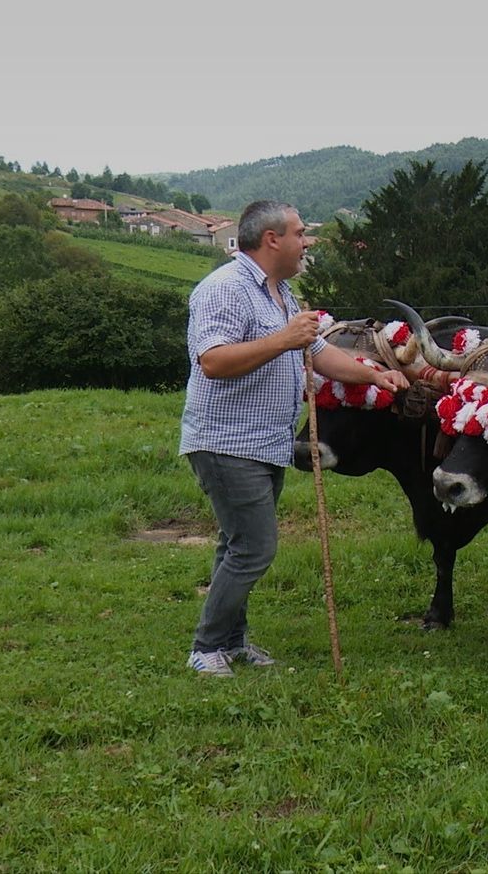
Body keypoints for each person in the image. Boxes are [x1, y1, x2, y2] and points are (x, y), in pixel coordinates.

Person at [180, 199, 408, 677]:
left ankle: (232, 641)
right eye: (301, 233)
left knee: (236, 543)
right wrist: (284, 339)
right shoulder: (225, 289)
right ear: (271, 239)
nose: (307, 242)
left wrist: (374, 376)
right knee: (255, 548)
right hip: (226, 441)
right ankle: (206, 648)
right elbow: (214, 362)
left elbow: (320, 353)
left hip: (266, 441)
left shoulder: (278, 293)